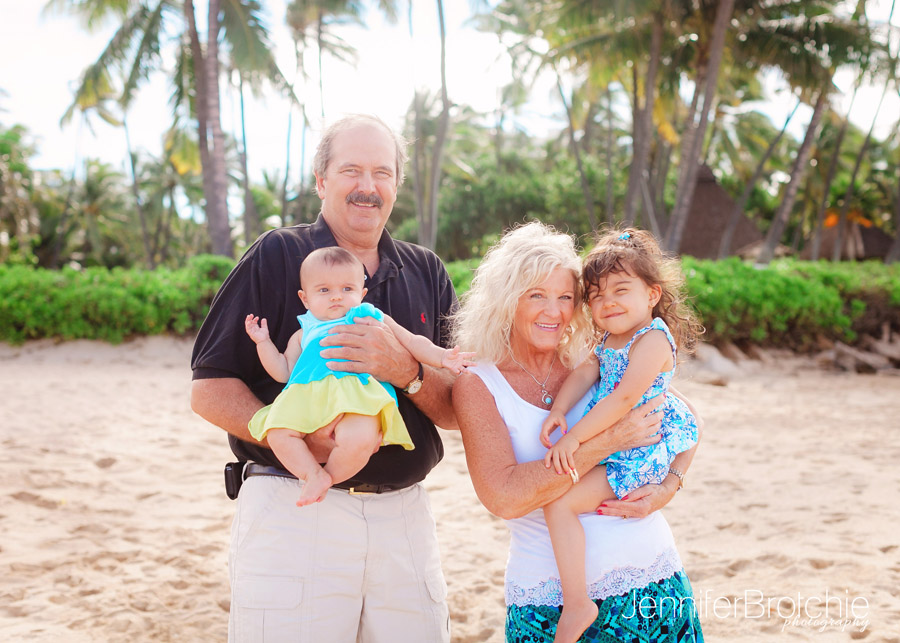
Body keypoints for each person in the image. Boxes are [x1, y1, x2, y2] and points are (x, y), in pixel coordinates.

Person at [191, 114, 457, 642]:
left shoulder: (427, 270)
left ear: (397, 184)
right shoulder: (277, 254)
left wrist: (403, 370)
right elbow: (209, 388)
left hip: (404, 519)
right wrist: (299, 438)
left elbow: (452, 411)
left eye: (382, 172)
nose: (367, 186)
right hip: (294, 511)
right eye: (350, 170)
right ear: (321, 180)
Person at [451, 221, 703, 643]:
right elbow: (503, 497)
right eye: (537, 295)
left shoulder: (601, 355)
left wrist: (670, 486)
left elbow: (685, 417)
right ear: (507, 300)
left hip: (652, 578)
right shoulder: (480, 382)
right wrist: (606, 441)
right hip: (546, 602)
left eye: (566, 297)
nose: (554, 311)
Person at [538, 227, 703, 641]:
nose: (606, 302)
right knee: (559, 503)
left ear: (652, 294)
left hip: (637, 449)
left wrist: (574, 439)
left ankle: (577, 603)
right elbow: (584, 371)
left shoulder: (652, 340)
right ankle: (579, 598)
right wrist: (559, 409)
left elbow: (623, 400)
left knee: (560, 505)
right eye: (595, 295)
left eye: (620, 290)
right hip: (618, 444)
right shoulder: (611, 338)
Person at [244, 246, 473, 507]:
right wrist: (263, 343)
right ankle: (312, 474)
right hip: (308, 395)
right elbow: (283, 371)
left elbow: (410, 341)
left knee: (360, 439)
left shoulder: (366, 316)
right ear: (305, 298)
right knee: (278, 433)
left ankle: (329, 476)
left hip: (356, 394)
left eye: (347, 289)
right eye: (324, 290)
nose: (336, 298)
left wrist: (442, 357)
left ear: (362, 294)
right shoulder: (303, 332)